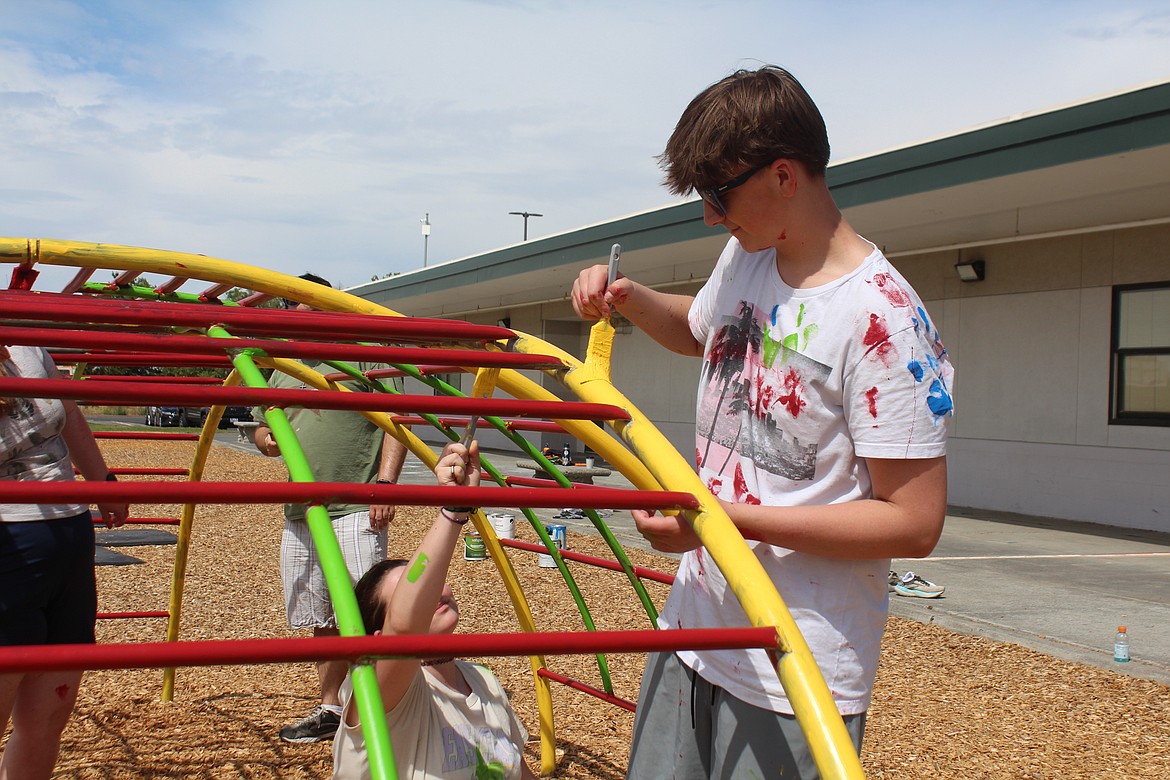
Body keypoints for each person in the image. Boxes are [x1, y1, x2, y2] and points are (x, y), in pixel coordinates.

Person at [571, 65, 954, 779]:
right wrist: (625, 297)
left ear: (784, 175)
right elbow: (699, 331)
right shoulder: (749, 256)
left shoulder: (883, 321)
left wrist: (725, 520)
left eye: (719, 194)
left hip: (794, 666)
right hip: (693, 631)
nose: (711, 216)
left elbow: (914, 521)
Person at [253, 273, 410, 744]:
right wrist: (268, 441)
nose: (307, 321)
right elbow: (262, 429)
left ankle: (384, 707)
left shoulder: (362, 356)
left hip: (355, 506)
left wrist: (385, 485)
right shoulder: (281, 366)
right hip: (301, 510)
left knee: (364, 612)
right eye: (298, 312)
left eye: (316, 310)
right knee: (317, 613)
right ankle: (330, 707)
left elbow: (394, 423)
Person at [333, 440, 538, 780]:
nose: (435, 593)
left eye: (435, 582)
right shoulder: (380, 694)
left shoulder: (482, 680)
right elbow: (404, 630)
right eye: (411, 595)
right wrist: (453, 511)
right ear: (379, 639)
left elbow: (520, 771)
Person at [0, 345, 130, 779]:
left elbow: (68, 411)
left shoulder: (28, 345)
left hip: (69, 532)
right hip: (8, 540)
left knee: (50, 711)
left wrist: (101, 480)